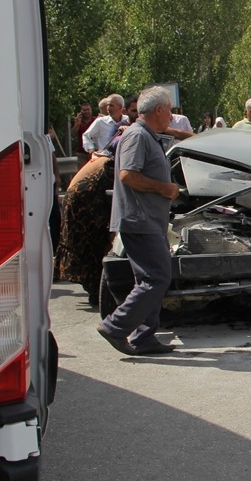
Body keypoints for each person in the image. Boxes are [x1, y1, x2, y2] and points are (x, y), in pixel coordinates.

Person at [96, 86, 181, 356]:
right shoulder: (136, 136)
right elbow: (127, 176)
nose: (171, 115)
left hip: (148, 220)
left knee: (148, 278)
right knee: (158, 276)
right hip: (139, 220)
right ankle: (115, 326)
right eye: (169, 109)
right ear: (158, 110)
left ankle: (144, 337)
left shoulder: (146, 135)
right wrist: (163, 188)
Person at [57, 154, 116, 305]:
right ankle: (95, 290)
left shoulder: (108, 161)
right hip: (82, 202)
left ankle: (95, 289)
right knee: (89, 246)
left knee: (90, 244)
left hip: (83, 199)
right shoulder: (110, 166)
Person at [72, 102, 94, 168]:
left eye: (88, 109)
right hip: (81, 153)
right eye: (84, 110)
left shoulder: (96, 120)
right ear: (81, 111)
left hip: (93, 152)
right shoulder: (78, 121)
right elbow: (73, 134)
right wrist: (77, 124)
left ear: (91, 110)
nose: (86, 112)